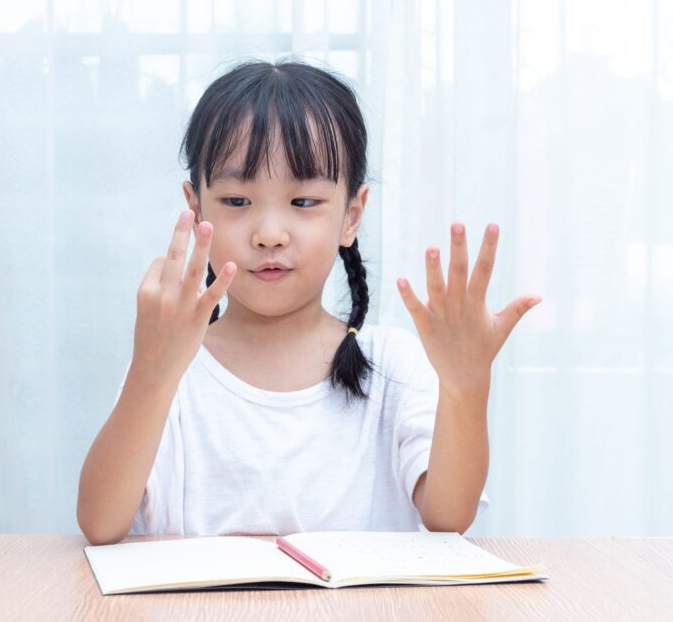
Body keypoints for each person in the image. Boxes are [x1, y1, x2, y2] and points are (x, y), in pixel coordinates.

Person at [76, 58, 541, 545]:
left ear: (351, 216)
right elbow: (101, 523)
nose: (270, 234)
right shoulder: (171, 364)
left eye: (303, 202)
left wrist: (466, 385)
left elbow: (450, 515)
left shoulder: (391, 364)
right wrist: (151, 372)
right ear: (196, 210)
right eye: (237, 201)